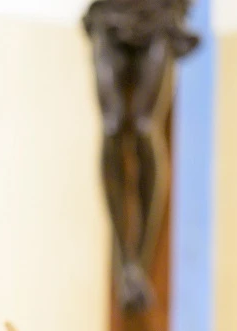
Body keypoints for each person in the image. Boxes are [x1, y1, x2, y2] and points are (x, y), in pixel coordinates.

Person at [83, 0, 198, 312]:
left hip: (156, 15)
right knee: (111, 126)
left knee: (146, 128)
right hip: (111, 14)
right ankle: (125, 259)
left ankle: (138, 264)